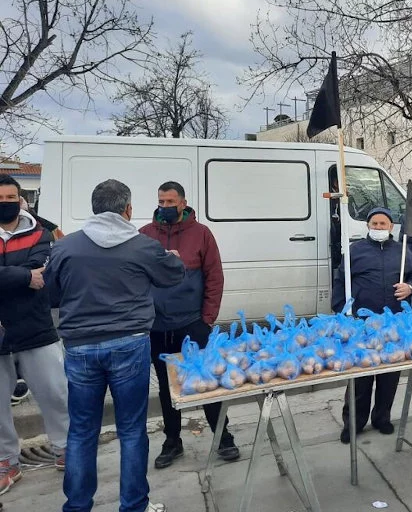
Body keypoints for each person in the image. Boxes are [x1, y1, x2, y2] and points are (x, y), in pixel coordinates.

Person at [45, 179, 186, 512]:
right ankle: (134, 506)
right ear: (128, 210)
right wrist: (171, 258)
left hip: (80, 347)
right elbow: (174, 276)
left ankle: (77, 506)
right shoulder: (143, 246)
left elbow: (51, 294)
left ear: (94, 209)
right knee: (132, 430)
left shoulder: (65, 247)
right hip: (129, 344)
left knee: (81, 431)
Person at [139, 181, 238, 469]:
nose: (165, 207)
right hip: (158, 327)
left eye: (171, 202)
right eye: (161, 202)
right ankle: (172, 441)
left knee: (206, 381)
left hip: (192, 324)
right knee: (167, 388)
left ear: (183, 203)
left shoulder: (201, 234)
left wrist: (207, 319)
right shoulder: (145, 235)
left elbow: (214, 277)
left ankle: (223, 437)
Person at [0, 176, 69, 494]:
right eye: (0, 197)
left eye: (10, 197)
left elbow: (43, 271)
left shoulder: (41, 233)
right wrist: (24, 276)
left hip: (37, 329)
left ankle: (65, 449)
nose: (5, 202)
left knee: (56, 395)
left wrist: (23, 275)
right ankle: (7, 461)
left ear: (20, 199)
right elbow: (31, 274)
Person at [333, 208, 412, 444]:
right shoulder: (355, 251)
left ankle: (382, 417)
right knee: (360, 376)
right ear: (368, 226)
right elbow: (340, 281)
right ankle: (353, 423)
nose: (379, 227)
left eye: (383, 224)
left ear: (391, 227)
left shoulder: (402, 251)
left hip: (393, 322)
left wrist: (410, 288)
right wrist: (342, 312)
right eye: (375, 223)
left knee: (389, 375)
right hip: (362, 324)